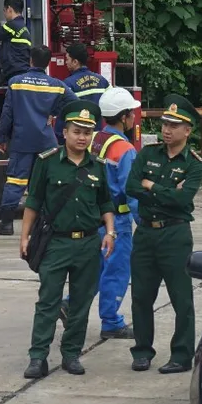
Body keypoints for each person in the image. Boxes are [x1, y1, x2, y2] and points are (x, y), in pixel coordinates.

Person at [20, 101, 116, 379]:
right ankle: (38, 357)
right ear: (64, 132)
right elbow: (33, 202)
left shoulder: (98, 166)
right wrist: (25, 236)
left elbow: (106, 203)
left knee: (80, 304)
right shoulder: (47, 161)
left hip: (88, 243)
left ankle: (71, 354)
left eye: (87, 133)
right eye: (76, 131)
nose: (82, 137)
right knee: (48, 302)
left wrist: (110, 232)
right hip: (56, 243)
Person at [126, 94, 202, 374]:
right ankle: (142, 351)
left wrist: (151, 186)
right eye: (165, 124)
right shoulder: (148, 154)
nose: (167, 130)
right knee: (141, 296)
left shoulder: (194, 164)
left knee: (181, 299)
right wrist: (167, 191)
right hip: (146, 233)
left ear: (187, 130)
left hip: (175, 235)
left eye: (174, 125)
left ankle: (181, 356)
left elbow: (183, 201)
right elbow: (131, 187)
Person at [60, 87, 141, 339]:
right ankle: (111, 321)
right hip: (117, 221)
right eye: (131, 114)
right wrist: (143, 221)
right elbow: (131, 190)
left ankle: (70, 303)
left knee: (93, 269)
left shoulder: (92, 139)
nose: (133, 118)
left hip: (90, 218)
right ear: (124, 117)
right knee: (115, 271)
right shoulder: (124, 149)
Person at [0, 46, 71, 236]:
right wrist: (55, 113)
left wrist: (2, 137)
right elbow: (73, 102)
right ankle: (45, 223)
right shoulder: (57, 85)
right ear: (48, 63)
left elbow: (7, 113)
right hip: (47, 142)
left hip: (22, 140)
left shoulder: (16, 83)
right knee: (46, 181)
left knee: (16, 180)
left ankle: (6, 224)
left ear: (31, 61)